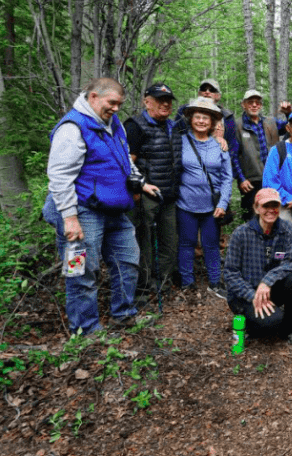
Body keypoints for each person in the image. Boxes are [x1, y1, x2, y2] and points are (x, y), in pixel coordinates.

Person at [46, 78, 152, 334]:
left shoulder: (114, 124)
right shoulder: (72, 128)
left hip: (115, 210)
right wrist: (69, 218)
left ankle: (124, 316)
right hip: (82, 212)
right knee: (80, 270)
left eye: (119, 104)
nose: (116, 108)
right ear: (93, 97)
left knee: (128, 262)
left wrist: (141, 182)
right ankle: (85, 330)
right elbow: (59, 176)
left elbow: (123, 159)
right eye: (111, 103)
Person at [224, 188, 292, 347]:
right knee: (272, 322)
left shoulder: (288, 230)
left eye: (274, 205)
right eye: (265, 206)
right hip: (246, 294)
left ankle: (290, 330)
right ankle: (247, 325)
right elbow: (230, 273)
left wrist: (267, 282)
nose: (271, 210)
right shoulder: (241, 234)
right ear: (256, 208)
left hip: (271, 288)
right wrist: (252, 295)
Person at [123, 82, 184, 302]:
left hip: (170, 195)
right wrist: (141, 186)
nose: (165, 104)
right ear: (147, 101)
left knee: (169, 241)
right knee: (144, 244)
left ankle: (163, 284)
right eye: (159, 100)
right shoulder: (135, 126)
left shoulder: (175, 125)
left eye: (168, 101)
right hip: (146, 196)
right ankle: (142, 288)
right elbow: (126, 164)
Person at [177, 97, 233, 298]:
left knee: (211, 244)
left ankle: (215, 283)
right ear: (191, 119)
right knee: (186, 243)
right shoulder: (181, 141)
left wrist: (223, 202)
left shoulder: (219, 145)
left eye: (205, 118)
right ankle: (187, 283)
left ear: (212, 123)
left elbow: (227, 177)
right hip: (185, 203)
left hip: (212, 206)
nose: (201, 121)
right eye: (197, 117)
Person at [235, 89, 281, 222]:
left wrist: (288, 112)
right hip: (250, 181)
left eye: (257, 102)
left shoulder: (270, 122)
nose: (254, 105)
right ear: (243, 104)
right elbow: (233, 156)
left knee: (272, 215)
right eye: (250, 102)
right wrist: (241, 178)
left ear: (261, 105)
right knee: (251, 217)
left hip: (272, 179)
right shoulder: (237, 126)